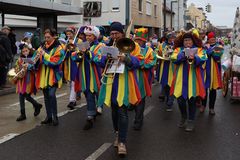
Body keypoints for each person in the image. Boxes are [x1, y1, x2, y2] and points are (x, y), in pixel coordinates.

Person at [94, 22, 141, 155]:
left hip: (125, 83)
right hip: (111, 83)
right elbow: (99, 61)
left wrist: (126, 58)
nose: (114, 36)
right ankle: (117, 133)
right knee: (114, 113)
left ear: (122, 33)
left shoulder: (133, 45)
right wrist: (106, 58)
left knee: (123, 113)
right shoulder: (107, 46)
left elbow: (138, 62)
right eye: (112, 34)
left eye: (117, 33)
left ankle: (122, 142)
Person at [170, 31, 207, 132]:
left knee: (192, 102)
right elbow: (173, 58)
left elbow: (204, 58)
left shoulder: (199, 49)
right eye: (185, 40)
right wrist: (183, 54)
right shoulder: (178, 49)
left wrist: (194, 57)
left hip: (193, 81)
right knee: (180, 101)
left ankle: (191, 120)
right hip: (180, 81)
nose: (187, 42)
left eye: (189, 40)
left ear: (193, 40)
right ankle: (183, 116)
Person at [72, 26, 104, 130]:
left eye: (90, 36)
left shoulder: (100, 45)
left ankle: (93, 113)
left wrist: (88, 52)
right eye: (86, 36)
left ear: (95, 36)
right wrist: (79, 54)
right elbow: (74, 57)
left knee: (93, 93)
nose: (88, 37)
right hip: (83, 74)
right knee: (87, 93)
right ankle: (92, 113)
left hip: (95, 75)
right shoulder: (82, 45)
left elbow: (99, 59)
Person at [32, 28, 65, 126]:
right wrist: (31, 61)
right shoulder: (42, 46)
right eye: (45, 37)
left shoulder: (59, 48)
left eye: (48, 37)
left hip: (53, 76)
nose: (46, 39)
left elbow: (55, 62)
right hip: (43, 76)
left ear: (54, 36)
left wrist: (44, 55)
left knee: (51, 95)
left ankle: (55, 116)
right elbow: (34, 58)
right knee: (46, 97)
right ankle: (49, 116)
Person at [133, 28, 156, 130]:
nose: (137, 42)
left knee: (141, 100)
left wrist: (143, 65)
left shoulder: (149, 51)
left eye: (139, 40)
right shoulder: (130, 48)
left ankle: (138, 120)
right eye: (136, 40)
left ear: (144, 41)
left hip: (143, 78)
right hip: (131, 77)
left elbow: (152, 61)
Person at [15, 42, 42, 121]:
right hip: (21, 79)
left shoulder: (33, 58)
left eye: (26, 51)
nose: (25, 52)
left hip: (29, 79)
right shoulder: (20, 59)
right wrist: (19, 68)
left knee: (26, 95)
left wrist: (29, 66)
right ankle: (23, 113)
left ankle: (36, 105)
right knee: (21, 95)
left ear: (29, 50)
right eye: (23, 51)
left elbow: (36, 68)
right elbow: (16, 68)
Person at [200, 31, 224, 115]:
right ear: (208, 39)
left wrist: (209, 51)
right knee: (204, 89)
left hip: (214, 70)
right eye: (211, 39)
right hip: (205, 70)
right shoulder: (204, 46)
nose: (212, 40)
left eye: (213, 38)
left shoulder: (219, 46)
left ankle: (211, 108)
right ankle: (203, 105)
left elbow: (217, 56)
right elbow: (202, 56)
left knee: (213, 90)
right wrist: (210, 51)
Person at [156, 31, 176, 111]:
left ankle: (170, 102)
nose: (172, 39)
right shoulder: (161, 45)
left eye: (173, 38)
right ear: (167, 38)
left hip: (173, 67)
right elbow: (157, 53)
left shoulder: (176, 45)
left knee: (172, 85)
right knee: (165, 85)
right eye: (170, 38)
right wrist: (158, 56)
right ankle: (168, 99)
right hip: (164, 67)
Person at [63, 26, 81, 110]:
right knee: (70, 83)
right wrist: (66, 47)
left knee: (74, 82)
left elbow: (81, 53)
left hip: (76, 64)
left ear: (74, 33)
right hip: (68, 64)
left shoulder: (79, 41)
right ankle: (74, 98)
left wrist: (75, 47)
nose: (68, 35)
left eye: (70, 33)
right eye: (67, 34)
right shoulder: (66, 41)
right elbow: (63, 54)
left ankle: (72, 101)